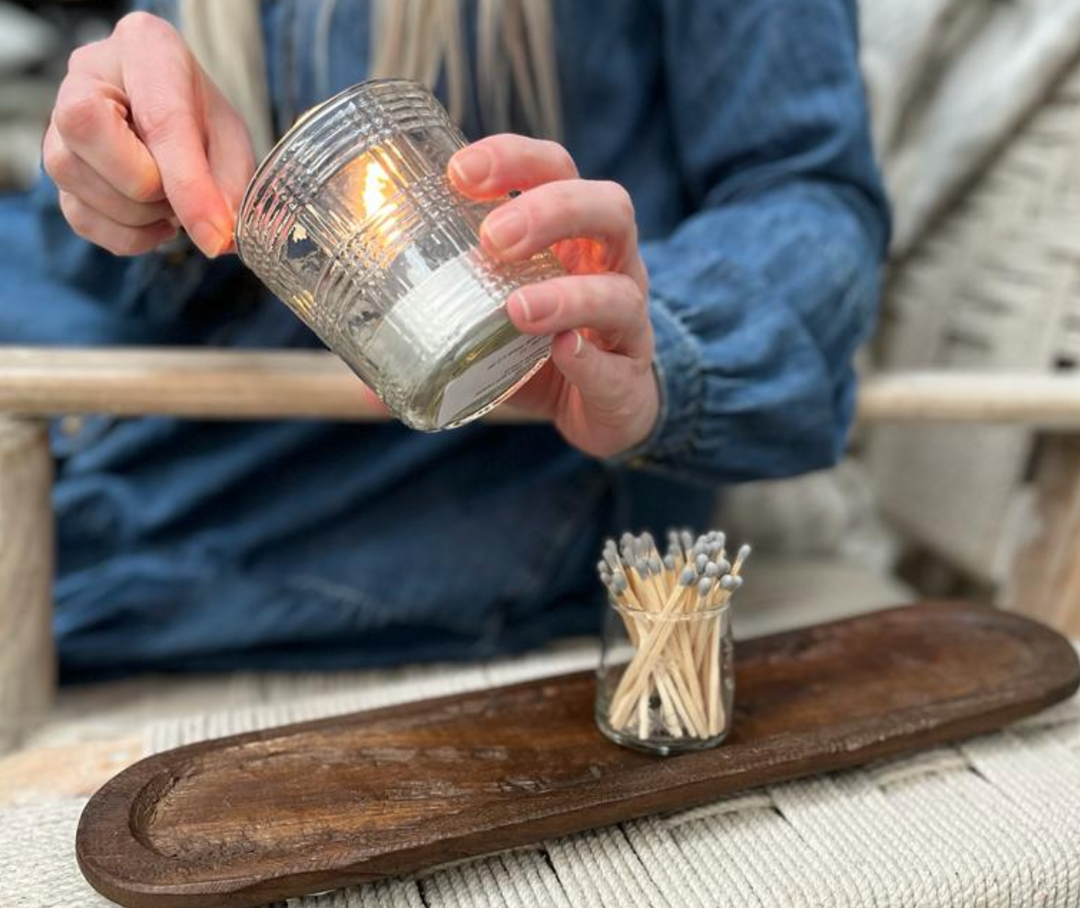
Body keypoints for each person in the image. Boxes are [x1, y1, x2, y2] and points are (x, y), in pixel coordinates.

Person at [2, 0, 889, 680]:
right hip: (174, 424)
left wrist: (664, 339)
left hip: (470, 482)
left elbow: (807, 193)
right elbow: (111, 266)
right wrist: (121, 178)